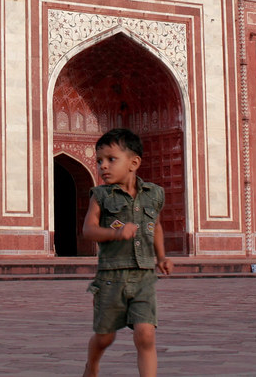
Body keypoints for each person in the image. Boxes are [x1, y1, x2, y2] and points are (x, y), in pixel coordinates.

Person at [81, 128, 173, 377]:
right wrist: (115, 233)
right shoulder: (100, 195)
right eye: (99, 161)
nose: (103, 166)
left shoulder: (153, 195)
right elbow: (88, 230)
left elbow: (156, 226)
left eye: (111, 159)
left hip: (143, 276)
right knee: (104, 338)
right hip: (111, 277)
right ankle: (92, 366)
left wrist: (162, 257)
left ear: (134, 163)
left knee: (146, 334)